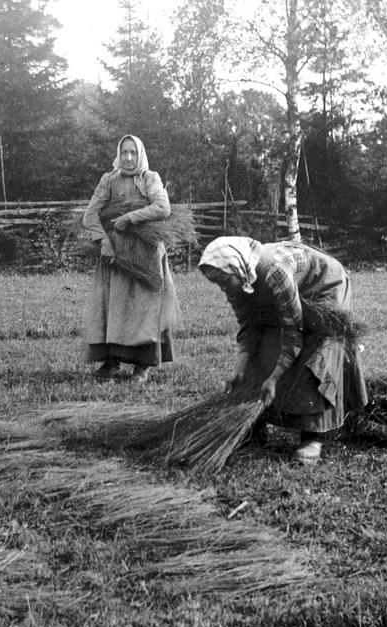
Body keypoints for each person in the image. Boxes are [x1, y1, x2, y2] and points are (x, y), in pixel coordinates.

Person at [198, 236, 367, 464]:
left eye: (224, 281)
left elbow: (293, 333)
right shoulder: (237, 281)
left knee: (317, 350)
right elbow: (250, 327)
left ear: (237, 268)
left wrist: (275, 377)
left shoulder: (274, 272)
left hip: (322, 285)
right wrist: (238, 369)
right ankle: (255, 425)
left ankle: (312, 437)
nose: (223, 289)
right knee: (266, 345)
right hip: (289, 289)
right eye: (217, 283)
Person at [81, 134, 180, 383]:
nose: (127, 158)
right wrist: (103, 241)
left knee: (143, 308)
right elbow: (90, 215)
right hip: (115, 254)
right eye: (124, 152)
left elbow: (163, 207)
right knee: (112, 306)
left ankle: (142, 366)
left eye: (133, 153)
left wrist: (129, 218)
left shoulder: (149, 178)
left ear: (140, 155)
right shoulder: (109, 179)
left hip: (144, 254)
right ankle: (111, 361)